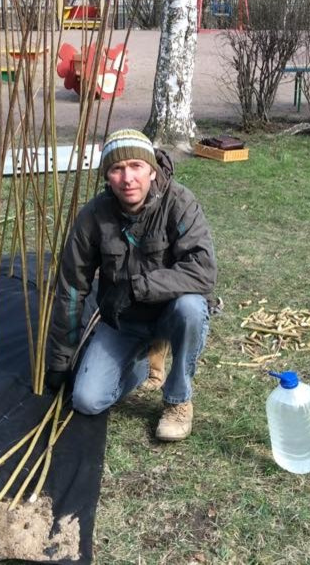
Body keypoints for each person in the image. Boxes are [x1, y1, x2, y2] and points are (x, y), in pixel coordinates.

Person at [44, 129, 217, 441]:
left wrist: (137, 287)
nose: (128, 178)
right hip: (123, 323)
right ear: (107, 177)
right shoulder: (93, 217)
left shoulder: (179, 203)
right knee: (86, 400)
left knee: (192, 307)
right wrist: (60, 360)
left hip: (170, 314)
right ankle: (140, 361)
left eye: (136, 166)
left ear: (152, 169)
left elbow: (202, 271)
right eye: (117, 169)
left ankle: (178, 401)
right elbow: (72, 288)